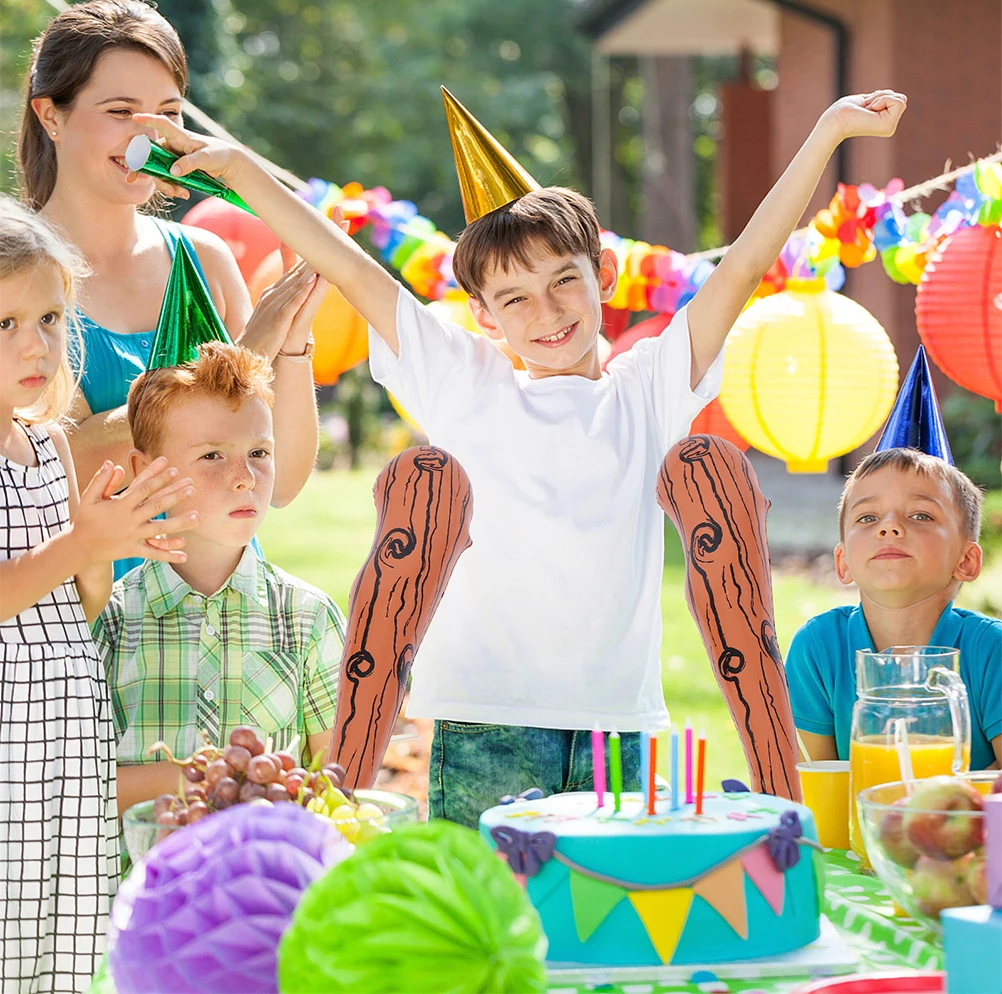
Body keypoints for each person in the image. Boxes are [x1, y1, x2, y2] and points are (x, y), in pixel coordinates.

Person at [134, 87, 908, 827]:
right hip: (486, 727)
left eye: (563, 281)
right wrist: (238, 169)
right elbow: (347, 263)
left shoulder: (646, 390)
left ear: (601, 276)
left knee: (611, 936)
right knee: (494, 948)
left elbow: (741, 266)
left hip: (617, 733)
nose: (547, 312)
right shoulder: (463, 380)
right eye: (515, 299)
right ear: (483, 316)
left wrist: (830, 132)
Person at [18, 0, 326, 576]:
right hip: (105, 634)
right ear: (50, 114)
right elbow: (59, 469)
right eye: (119, 111)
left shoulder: (205, 260)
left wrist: (292, 342)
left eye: (169, 110)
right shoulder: (19, 280)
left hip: (230, 626)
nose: (149, 135)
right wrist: (247, 355)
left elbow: (279, 483)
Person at [0, 196, 197, 992]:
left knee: (67, 939)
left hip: (67, 734)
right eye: (3, 324)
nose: (35, 344)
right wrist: (82, 544)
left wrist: (105, 550)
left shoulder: (48, 446)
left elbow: (61, 611)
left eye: (50, 317)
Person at [91, 342, 345, 815]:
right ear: (147, 474)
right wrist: (196, 780)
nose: (245, 477)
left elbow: (336, 784)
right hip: (139, 883)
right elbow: (79, 784)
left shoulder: (309, 618)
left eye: (258, 452)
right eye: (212, 456)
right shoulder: (109, 621)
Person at [786, 447, 1001, 770]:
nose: (889, 528)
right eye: (868, 517)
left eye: (921, 516)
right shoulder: (817, 648)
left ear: (966, 561)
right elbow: (821, 781)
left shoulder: (991, 650)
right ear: (843, 563)